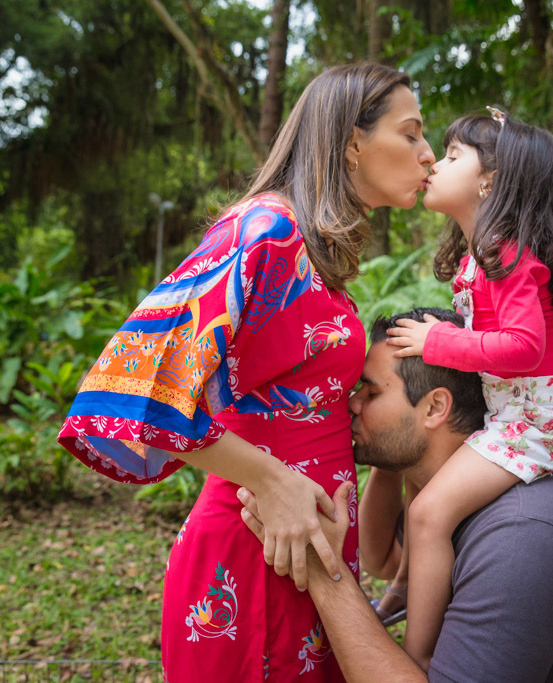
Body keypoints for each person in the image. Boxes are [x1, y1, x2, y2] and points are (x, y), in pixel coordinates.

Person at [56, 63, 435, 681]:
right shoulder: (266, 228)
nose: (428, 154)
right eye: (413, 133)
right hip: (253, 554)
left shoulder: (309, 249)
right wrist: (274, 482)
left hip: (305, 551)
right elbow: (139, 386)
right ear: (352, 143)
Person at [238, 308, 553, 682]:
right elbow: (382, 560)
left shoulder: (522, 535)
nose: (350, 404)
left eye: (370, 392)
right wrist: (387, 461)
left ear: (435, 408)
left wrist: (324, 574)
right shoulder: (437, 490)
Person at [378, 108, 553, 668]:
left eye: (450, 156)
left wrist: (437, 341)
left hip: (531, 429)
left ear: (489, 180)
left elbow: (523, 348)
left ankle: (417, 660)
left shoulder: (513, 259)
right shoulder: (487, 256)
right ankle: (405, 588)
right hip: (506, 413)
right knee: (421, 486)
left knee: (427, 516)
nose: (433, 163)